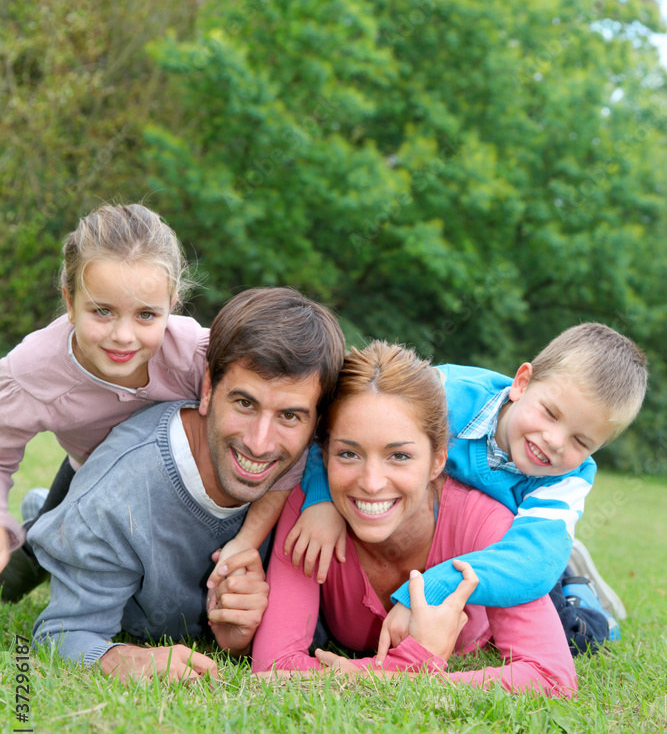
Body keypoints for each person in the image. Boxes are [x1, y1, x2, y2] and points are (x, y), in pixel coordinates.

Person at [0, 203, 340, 600]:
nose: (123, 336)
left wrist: (314, 502)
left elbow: (302, 421)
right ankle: (37, 524)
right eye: (102, 311)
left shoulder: (199, 357)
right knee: (31, 559)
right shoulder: (32, 371)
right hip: (86, 471)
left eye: (146, 315)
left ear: (173, 303)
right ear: (69, 300)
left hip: (166, 485)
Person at [29, 286, 346, 682]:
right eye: (244, 403)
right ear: (209, 388)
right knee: (67, 530)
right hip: (93, 512)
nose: (259, 443)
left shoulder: (330, 481)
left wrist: (249, 636)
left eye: (290, 416)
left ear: (317, 422)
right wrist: (124, 659)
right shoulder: (116, 500)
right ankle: (43, 518)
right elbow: (61, 634)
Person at [289, 324, 647, 657]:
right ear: (522, 382)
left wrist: (434, 587)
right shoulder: (445, 393)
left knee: (569, 632)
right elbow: (345, 419)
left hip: (517, 546)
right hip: (442, 523)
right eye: (550, 413)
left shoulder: (568, 477)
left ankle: (580, 589)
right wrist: (320, 499)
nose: (553, 441)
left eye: (581, 440)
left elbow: (533, 566)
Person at [252, 341, 577, 697]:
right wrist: (405, 668)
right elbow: (273, 667)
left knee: (580, 627)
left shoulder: (486, 524)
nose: (371, 483)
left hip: (527, 559)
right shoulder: (311, 515)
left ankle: (577, 577)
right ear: (324, 454)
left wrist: (395, 672)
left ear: (438, 460)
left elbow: (552, 677)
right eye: (348, 453)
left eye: (400, 456)